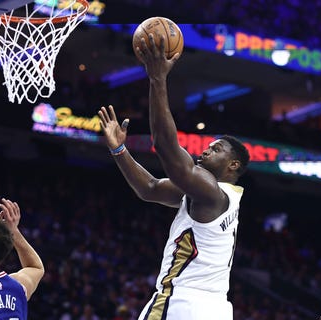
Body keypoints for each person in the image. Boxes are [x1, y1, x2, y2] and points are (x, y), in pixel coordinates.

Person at [97, 33, 250, 320]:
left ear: (233, 165)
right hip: (215, 308)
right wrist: (119, 149)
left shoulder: (211, 193)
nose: (205, 152)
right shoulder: (211, 196)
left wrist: (157, 79)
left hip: (183, 301)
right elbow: (151, 188)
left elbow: (168, 150)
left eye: (215, 150)